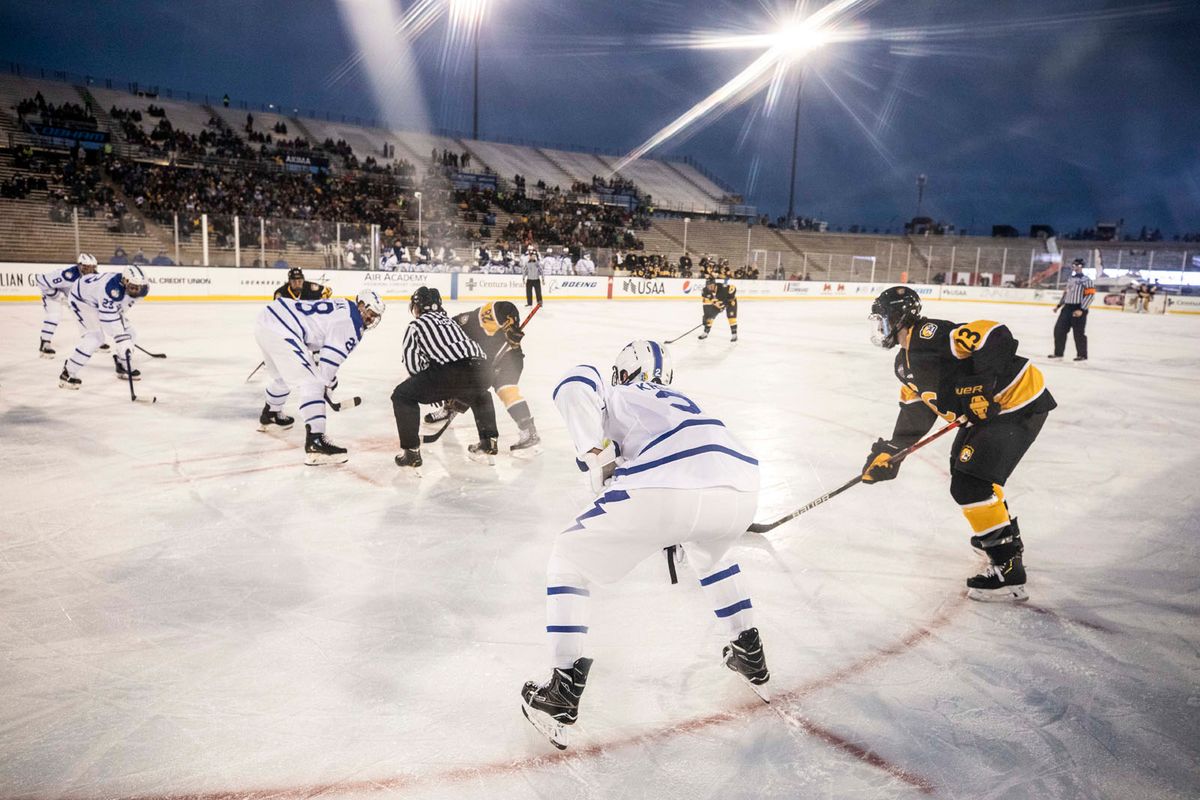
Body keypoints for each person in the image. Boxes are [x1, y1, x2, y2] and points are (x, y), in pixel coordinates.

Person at [520, 341, 768, 749]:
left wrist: (595, 454)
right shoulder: (682, 398)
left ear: (623, 370)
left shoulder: (619, 391)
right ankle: (749, 651)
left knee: (568, 558)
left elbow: (573, 382)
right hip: (743, 485)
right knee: (714, 558)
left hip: (667, 486)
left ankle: (562, 690)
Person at [861, 286, 1056, 602]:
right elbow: (917, 409)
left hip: (1017, 401)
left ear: (899, 317)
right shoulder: (902, 364)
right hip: (989, 415)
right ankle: (1001, 534)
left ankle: (1008, 572)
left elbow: (993, 334)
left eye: (882, 319)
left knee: (970, 485)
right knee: (962, 467)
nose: (880, 328)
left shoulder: (930, 333)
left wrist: (980, 388)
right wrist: (893, 450)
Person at [253, 290, 384, 465]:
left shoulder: (344, 305)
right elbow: (327, 369)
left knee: (284, 376)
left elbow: (319, 338)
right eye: (370, 314)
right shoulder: (351, 324)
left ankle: (271, 413)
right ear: (361, 306)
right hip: (283, 327)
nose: (371, 320)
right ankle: (316, 441)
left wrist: (327, 379)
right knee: (312, 383)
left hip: (269, 317)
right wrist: (328, 384)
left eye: (375, 317)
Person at [390, 287, 500, 469]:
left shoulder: (416, 325)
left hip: (452, 374)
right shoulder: (451, 323)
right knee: (480, 393)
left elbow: (413, 365)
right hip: (484, 370)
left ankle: (411, 453)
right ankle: (489, 440)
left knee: (402, 396)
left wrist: (432, 387)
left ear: (418, 307)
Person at [433, 301, 541, 454]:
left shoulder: (467, 322)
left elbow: (503, 307)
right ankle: (450, 408)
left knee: (505, 390)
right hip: (486, 364)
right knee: (460, 378)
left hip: (509, 357)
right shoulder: (446, 343)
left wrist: (510, 327)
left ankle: (527, 432)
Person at [60, 265, 150, 389]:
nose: (136, 290)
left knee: (130, 333)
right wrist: (121, 338)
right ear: (124, 281)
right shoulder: (111, 289)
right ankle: (68, 372)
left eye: (138, 288)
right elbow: (107, 318)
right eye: (133, 287)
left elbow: (118, 309)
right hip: (82, 300)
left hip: (98, 299)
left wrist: (123, 336)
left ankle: (122, 365)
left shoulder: (140, 289)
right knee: (95, 338)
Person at [37, 252, 97, 357]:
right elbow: (41, 281)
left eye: (92, 268)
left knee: (87, 315)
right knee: (54, 316)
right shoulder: (68, 275)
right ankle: (45, 343)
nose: (90, 271)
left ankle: (91, 340)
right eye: (87, 267)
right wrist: (56, 295)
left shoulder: (95, 276)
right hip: (53, 296)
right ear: (79, 265)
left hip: (70, 297)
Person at [1049, 259, 1094, 361]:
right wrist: (1059, 305)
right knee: (1059, 330)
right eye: (1073, 264)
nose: (1075, 266)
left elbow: (1090, 295)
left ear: (1082, 266)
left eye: (1077, 265)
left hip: (1078, 308)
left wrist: (1082, 309)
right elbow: (1066, 293)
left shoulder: (1086, 280)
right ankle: (1058, 353)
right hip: (1067, 308)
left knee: (1078, 333)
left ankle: (1082, 355)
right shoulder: (1070, 279)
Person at [698, 277, 738, 341]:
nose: (710, 287)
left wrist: (727, 301)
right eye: (708, 286)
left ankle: (734, 335)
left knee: (731, 317)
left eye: (711, 286)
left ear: (715, 284)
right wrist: (706, 316)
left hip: (730, 301)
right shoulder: (704, 291)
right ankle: (705, 333)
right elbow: (706, 305)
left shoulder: (723, 287)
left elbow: (733, 288)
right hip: (718, 303)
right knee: (709, 317)